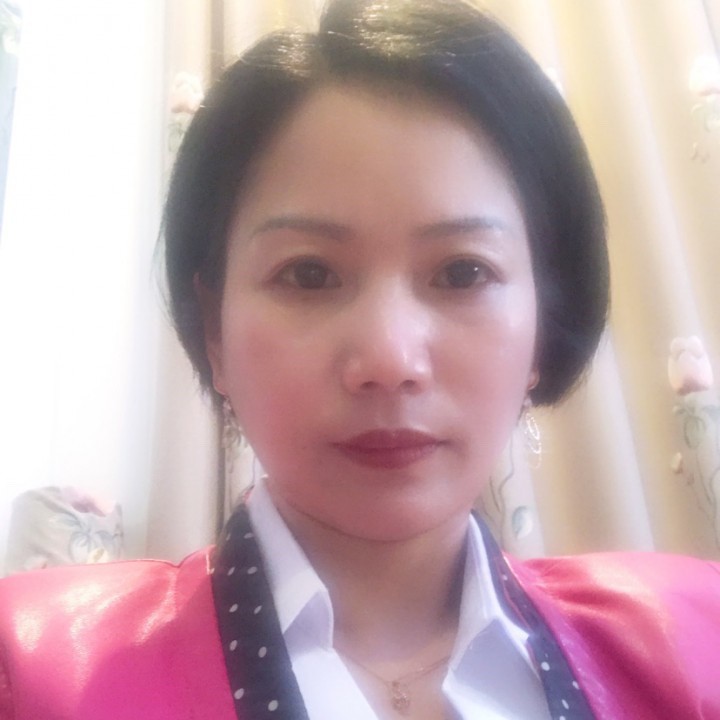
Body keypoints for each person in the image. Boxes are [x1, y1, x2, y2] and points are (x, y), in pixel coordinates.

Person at [1, 1, 719, 718]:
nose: (388, 358)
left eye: (462, 272)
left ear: (542, 323)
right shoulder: (34, 671)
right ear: (215, 332)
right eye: (309, 274)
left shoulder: (693, 640)